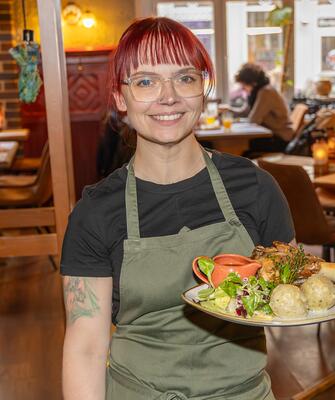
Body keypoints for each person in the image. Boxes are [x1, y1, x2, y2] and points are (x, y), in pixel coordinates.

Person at [60, 17, 294, 400]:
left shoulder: (255, 188)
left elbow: (288, 295)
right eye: (146, 81)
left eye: (184, 78)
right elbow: (85, 348)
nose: (168, 96)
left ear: (202, 89)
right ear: (120, 98)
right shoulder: (96, 213)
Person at [227, 63, 294, 156]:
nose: (243, 89)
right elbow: (245, 112)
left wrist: (238, 121)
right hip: (272, 135)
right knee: (237, 145)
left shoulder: (266, 92)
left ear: (252, 82)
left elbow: (254, 120)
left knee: (239, 146)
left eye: (244, 85)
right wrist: (228, 109)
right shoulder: (257, 92)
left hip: (280, 138)